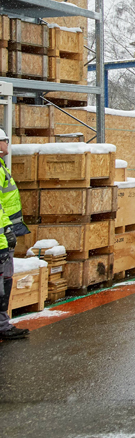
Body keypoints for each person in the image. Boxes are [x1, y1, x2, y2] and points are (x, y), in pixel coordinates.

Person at [0, 128, 28, 340]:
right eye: (4, 141)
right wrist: (6, 232)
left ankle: (3, 323)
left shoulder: (1, 167)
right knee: (3, 282)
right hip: (2, 235)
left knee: (5, 280)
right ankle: (2, 325)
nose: (7, 145)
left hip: (6, 232)